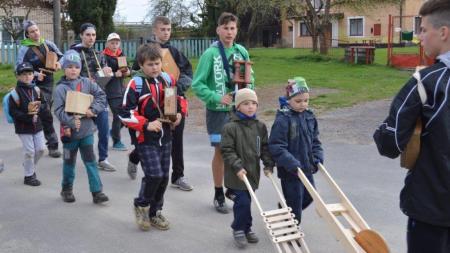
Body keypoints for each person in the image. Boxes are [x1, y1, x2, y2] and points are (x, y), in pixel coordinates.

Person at [373, 1, 450, 252]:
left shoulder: (425, 81)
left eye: (423, 29)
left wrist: (383, 131)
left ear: (444, 32)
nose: (419, 37)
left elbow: (390, 143)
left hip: (432, 208)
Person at [192, 12, 254, 214]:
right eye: (225, 28)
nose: (229, 32)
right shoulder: (210, 54)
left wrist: (248, 98)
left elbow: (250, 80)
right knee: (220, 151)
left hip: (239, 112)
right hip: (218, 112)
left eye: (232, 28)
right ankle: (218, 192)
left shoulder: (242, 51)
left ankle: (232, 188)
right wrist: (217, 97)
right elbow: (197, 84)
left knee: (239, 152)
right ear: (218, 29)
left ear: (237, 30)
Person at [119, 43, 182, 231]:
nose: (154, 68)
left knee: (163, 178)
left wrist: (179, 114)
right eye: (150, 64)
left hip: (166, 136)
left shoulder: (167, 79)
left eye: (157, 64)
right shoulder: (136, 84)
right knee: (154, 175)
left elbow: (180, 99)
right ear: (141, 64)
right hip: (145, 139)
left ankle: (155, 212)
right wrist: (146, 124)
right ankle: (141, 204)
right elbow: (124, 113)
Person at [129, 16, 193, 190]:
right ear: (155, 31)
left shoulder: (174, 52)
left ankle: (178, 176)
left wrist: (177, 88)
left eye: (169, 29)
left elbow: (187, 72)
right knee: (151, 140)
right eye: (163, 29)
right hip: (152, 105)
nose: (166, 33)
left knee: (176, 139)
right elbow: (135, 72)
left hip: (174, 101)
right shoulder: (145, 50)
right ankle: (134, 157)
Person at [53, 50, 109, 204]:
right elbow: (57, 110)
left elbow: (101, 96)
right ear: (64, 68)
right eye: (69, 66)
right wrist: (70, 121)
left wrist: (93, 110)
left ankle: (97, 192)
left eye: (76, 67)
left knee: (91, 163)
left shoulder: (87, 83)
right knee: (69, 164)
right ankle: (66, 189)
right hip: (69, 134)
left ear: (80, 68)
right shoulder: (60, 89)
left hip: (86, 132)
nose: (73, 70)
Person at [220, 88, 274, 248]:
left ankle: (247, 227)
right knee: (243, 202)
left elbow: (264, 147)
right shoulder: (230, 127)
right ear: (237, 106)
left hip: (252, 173)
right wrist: (237, 167)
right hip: (237, 174)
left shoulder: (260, 126)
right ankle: (238, 228)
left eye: (253, 103)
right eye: (245, 103)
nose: (250, 107)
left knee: (248, 201)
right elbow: (227, 150)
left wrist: (268, 164)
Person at [268, 77, 323, 224]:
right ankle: (293, 229)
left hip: (307, 166)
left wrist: (318, 155)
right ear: (289, 99)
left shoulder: (309, 116)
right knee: (295, 201)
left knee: (310, 196)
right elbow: (276, 145)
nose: (303, 104)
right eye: (298, 101)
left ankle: (285, 209)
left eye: (306, 100)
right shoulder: (283, 119)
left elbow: (315, 140)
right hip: (290, 170)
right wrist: (290, 162)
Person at [71, 23, 116, 172]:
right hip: (81, 97)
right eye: (88, 35)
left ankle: (103, 159)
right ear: (81, 35)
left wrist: (107, 72)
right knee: (77, 130)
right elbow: (70, 75)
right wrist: (88, 79)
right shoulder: (74, 53)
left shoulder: (99, 54)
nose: (91, 38)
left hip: (98, 97)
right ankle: (70, 155)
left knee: (104, 128)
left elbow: (102, 77)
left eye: (93, 35)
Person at [16, 20, 63, 158]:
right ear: (27, 34)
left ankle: (35, 138)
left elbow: (62, 56)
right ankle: (52, 145)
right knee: (45, 112)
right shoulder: (24, 49)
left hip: (48, 83)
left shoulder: (48, 44)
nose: (35, 33)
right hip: (32, 85)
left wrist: (59, 63)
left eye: (36, 30)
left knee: (42, 112)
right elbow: (17, 69)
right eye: (32, 31)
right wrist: (35, 74)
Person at [9, 62, 47, 186]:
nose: (27, 77)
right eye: (24, 74)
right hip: (23, 127)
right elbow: (13, 112)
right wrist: (27, 116)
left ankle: (28, 165)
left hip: (38, 125)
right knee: (29, 151)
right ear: (18, 76)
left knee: (41, 149)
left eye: (30, 74)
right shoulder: (14, 93)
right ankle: (29, 175)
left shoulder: (36, 89)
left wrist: (39, 109)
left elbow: (44, 104)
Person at [102, 32, 130, 151]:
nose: (114, 45)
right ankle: (116, 142)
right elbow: (101, 74)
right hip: (110, 90)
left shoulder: (120, 55)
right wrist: (114, 74)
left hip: (122, 89)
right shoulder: (103, 56)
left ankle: (114, 131)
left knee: (127, 114)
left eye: (117, 43)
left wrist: (128, 72)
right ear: (107, 43)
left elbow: (126, 69)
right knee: (118, 115)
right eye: (112, 43)